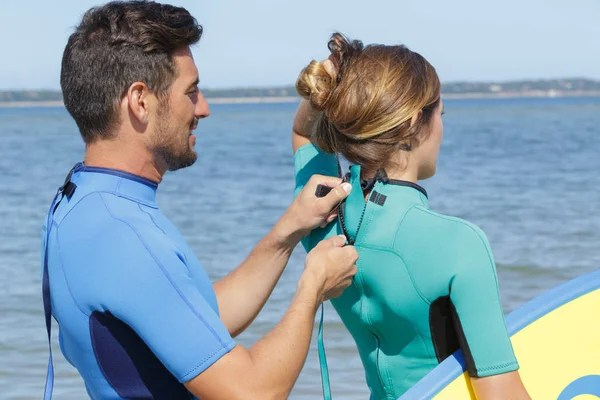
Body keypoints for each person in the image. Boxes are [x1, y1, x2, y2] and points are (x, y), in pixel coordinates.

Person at [41, 2, 359, 399]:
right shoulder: (123, 236)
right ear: (140, 101)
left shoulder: (77, 200)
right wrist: (313, 285)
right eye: (191, 92)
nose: (203, 108)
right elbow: (253, 393)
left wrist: (289, 231)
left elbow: (193, 322)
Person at [292, 33, 531, 399]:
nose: (442, 128)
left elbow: (303, 134)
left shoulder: (319, 217)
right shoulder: (459, 244)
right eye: (440, 114)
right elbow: (501, 393)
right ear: (412, 124)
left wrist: (329, 80)